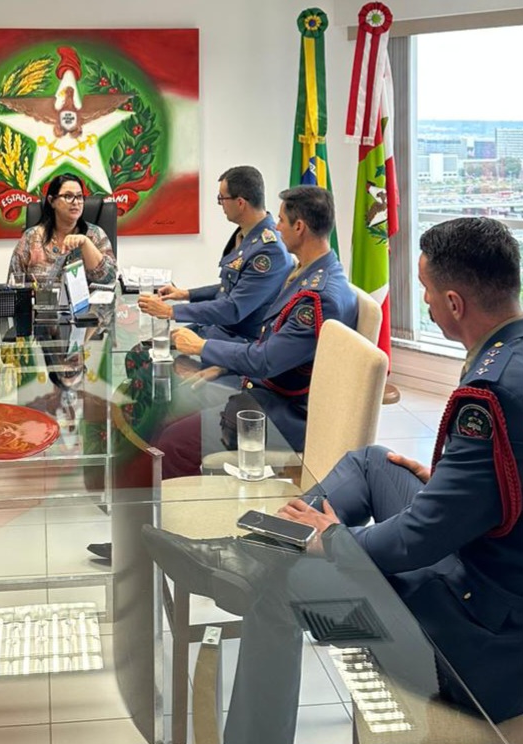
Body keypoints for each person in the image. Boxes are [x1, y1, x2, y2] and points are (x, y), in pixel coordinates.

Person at [143, 216, 523, 741]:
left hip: (480, 637)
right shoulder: (512, 359)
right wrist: (452, 480)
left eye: (428, 292)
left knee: (282, 588)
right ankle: (256, 552)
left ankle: (256, 566)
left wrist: (334, 542)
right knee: (371, 462)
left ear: (456, 303)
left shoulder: (492, 394)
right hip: (491, 556)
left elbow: (418, 539)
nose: (426, 304)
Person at [158, 185, 357, 475]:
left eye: (281, 220)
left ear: (299, 227)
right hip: (264, 388)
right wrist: (223, 368)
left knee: (171, 443)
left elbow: (267, 359)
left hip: (283, 412)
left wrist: (200, 347)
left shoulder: (318, 297)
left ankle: (187, 517)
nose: (276, 227)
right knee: (170, 408)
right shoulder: (311, 272)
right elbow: (274, 345)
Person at [138, 166, 293, 342]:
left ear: (240, 203)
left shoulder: (269, 251)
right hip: (219, 328)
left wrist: (171, 311)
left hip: (239, 341)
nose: (220, 204)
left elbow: (233, 308)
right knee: (150, 342)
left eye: (222, 198)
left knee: (158, 350)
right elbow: (229, 287)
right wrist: (185, 294)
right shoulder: (247, 234)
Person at [8, 173, 117, 286]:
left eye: (79, 197)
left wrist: (86, 243)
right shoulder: (31, 237)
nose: (76, 202)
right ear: (51, 201)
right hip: (40, 303)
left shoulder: (95, 235)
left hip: (88, 303)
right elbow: (14, 283)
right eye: (68, 196)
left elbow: (109, 279)